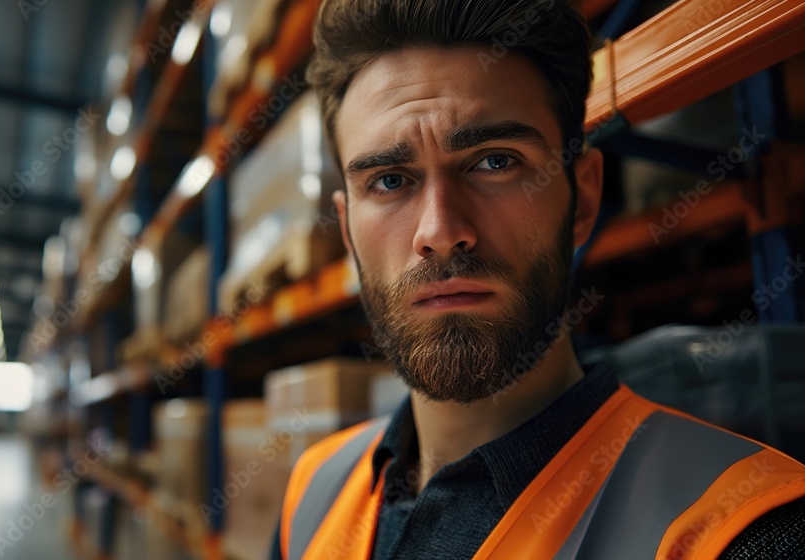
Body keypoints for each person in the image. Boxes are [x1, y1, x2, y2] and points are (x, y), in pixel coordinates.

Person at [269, 0, 805, 558]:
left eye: (495, 161)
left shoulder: (745, 534)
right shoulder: (313, 492)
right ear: (348, 231)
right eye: (388, 180)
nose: (439, 231)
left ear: (583, 199)